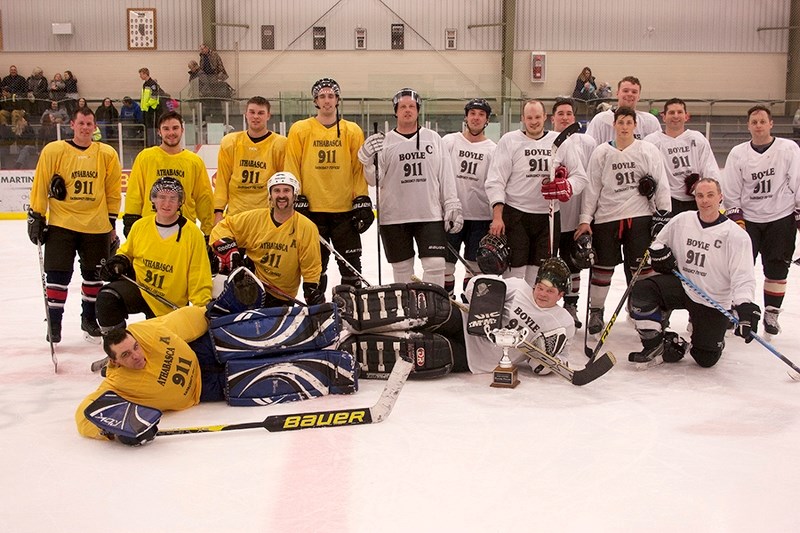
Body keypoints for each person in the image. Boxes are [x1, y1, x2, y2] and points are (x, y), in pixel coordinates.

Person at [628, 178, 759, 367]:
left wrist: (745, 307)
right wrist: (659, 255)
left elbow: (743, 278)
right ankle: (655, 345)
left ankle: (706, 339)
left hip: (711, 299)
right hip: (683, 286)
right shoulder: (683, 220)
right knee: (642, 290)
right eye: (700, 196)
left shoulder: (736, 236)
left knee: (705, 359)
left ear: (720, 197)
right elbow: (657, 244)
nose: (705, 200)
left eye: (710, 195)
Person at [27, 107, 122, 342]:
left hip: (96, 226)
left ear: (95, 127)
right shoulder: (54, 150)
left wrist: (111, 222)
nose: (85, 128)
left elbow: (112, 191)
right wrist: (36, 215)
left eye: (90, 124)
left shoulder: (106, 154)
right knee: (58, 276)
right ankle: (55, 323)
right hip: (62, 224)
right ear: (72, 124)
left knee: (94, 277)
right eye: (81, 123)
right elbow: (40, 183)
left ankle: (89, 319)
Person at [576, 106, 671, 335]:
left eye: (629, 122)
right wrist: (585, 219)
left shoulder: (647, 150)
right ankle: (596, 311)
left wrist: (663, 215)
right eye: (621, 122)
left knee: (641, 268)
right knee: (603, 267)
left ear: (635, 125)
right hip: (607, 217)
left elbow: (661, 182)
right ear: (614, 125)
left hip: (639, 217)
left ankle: (643, 308)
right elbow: (592, 188)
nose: (625, 126)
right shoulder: (601, 152)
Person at [358, 87, 463, 287]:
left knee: (435, 264)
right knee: (402, 269)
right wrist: (367, 162)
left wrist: (452, 204)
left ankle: (434, 310)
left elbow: (446, 175)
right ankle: (407, 311)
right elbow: (374, 180)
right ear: (396, 111)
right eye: (403, 106)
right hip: (394, 217)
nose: (407, 110)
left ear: (418, 110)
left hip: (429, 214)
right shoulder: (385, 142)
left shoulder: (433, 138)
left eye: (412, 106)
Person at [75, 304, 224, 442]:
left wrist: (212, 310)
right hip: (202, 388)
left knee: (232, 333)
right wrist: (113, 430)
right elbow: (84, 416)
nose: (136, 356)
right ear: (114, 361)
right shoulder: (117, 384)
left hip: (199, 353)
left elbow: (181, 320)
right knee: (241, 378)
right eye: (126, 355)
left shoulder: (144, 333)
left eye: (135, 347)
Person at [484, 99, 588, 287]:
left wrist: (566, 186)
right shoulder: (510, 140)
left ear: (545, 118)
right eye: (529, 117)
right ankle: (511, 309)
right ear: (523, 118)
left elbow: (580, 177)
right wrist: (497, 216)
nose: (534, 121)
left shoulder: (560, 141)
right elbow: (496, 180)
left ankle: (530, 312)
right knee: (514, 271)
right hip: (516, 214)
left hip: (548, 217)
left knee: (539, 272)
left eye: (538, 117)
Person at [722, 104, 800, 337]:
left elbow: (797, 180)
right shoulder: (739, 153)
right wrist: (736, 218)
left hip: (781, 216)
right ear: (748, 126)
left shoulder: (788, 149)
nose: (758, 126)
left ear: (771, 124)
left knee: (777, 266)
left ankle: (771, 313)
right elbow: (732, 189)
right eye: (754, 122)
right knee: (739, 267)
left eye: (762, 121)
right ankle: (738, 310)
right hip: (750, 219)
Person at [284, 78, 370, 290]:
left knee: (351, 266)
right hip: (312, 212)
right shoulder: (300, 129)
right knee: (315, 267)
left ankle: (351, 309)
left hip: (345, 212)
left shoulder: (352, 130)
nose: (327, 100)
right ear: (315, 100)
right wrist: (296, 196)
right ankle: (317, 310)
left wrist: (362, 198)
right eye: (322, 96)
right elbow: (292, 165)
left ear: (337, 99)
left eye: (331, 96)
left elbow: (357, 169)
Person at [96, 177, 212, 332]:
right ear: (153, 199)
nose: (166, 204)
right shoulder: (140, 226)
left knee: (162, 346)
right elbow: (126, 252)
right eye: (162, 197)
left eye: (173, 199)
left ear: (180, 203)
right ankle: (117, 348)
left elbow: (199, 275)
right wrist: (119, 261)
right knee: (108, 297)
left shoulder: (192, 234)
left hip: (169, 303)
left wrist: (201, 311)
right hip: (141, 289)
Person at [210, 171, 323, 306]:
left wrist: (311, 290)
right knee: (217, 280)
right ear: (270, 195)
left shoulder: (307, 227)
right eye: (276, 191)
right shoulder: (255, 218)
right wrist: (226, 246)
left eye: (286, 190)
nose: (281, 195)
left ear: (295, 195)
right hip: (251, 286)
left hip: (282, 296)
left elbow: (311, 266)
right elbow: (223, 227)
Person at [459, 257, 576, 374]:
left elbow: (562, 359)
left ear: (560, 295)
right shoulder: (518, 287)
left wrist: (543, 362)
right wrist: (484, 306)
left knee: (441, 350)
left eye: (550, 291)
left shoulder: (564, 322)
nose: (542, 294)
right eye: (540, 288)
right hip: (465, 322)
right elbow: (476, 283)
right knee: (442, 310)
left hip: (480, 358)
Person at [123, 111, 214, 239]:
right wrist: (131, 220)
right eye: (166, 129)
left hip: (184, 230)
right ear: (159, 132)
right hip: (151, 229)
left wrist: (209, 229)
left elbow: (203, 197)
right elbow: (135, 192)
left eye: (175, 128)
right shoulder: (146, 157)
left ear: (182, 130)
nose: (171, 133)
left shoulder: (194, 161)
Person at [441, 98, 497, 297]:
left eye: (481, 114)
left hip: (481, 217)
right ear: (466, 117)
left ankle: (469, 302)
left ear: (487, 120)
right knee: (445, 264)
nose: (476, 118)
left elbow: (495, 184)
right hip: (452, 214)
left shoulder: (493, 149)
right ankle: (447, 302)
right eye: (473, 113)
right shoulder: (449, 141)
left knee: (474, 266)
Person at [550, 98, 597, 328]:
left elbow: (591, 180)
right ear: (553, 118)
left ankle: (571, 305)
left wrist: (586, 217)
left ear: (574, 117)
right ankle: (547, 306)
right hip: (548, 218)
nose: (565, 117)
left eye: (569, 113)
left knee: (574, 264)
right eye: (560, 114)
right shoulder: (547, 141)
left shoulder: (587, 142)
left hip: (576, 215)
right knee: (546, 263)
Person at [213, 96, 287, 223]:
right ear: (245, 114)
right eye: (252, 112)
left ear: (268, 116)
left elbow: (284, 182)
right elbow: (222, 181)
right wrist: (218, 211)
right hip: (235, 215)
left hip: (266, 216)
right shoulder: (231, 142)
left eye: (261, 113)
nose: (256, 116)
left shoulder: (280, 144)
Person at [644, 98, 721, 215]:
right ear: (663, 117)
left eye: (680, 112)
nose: (676, 116)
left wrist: (712, 195)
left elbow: (710, 169)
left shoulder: (697, 138)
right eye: (671, 112)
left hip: (695, 200)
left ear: (686, 116)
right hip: (667, 201)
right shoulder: (652, 141)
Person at [586, 76, 661, 144]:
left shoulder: (650, 121)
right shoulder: (600, 120)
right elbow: (589, 147)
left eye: (634, 92)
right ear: (617, 93)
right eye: (625, 91)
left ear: (638, 97)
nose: (630, 94)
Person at [138, 67, 161, 146]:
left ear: (145, 74)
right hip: (146, 109)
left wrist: (147, 104)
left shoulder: (152, 84)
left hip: (152, 109)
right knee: (148, 128)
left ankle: (154, 144)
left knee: (152, 128)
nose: (140, 76)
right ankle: (149, 143)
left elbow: (154, 98)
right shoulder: (145, 84)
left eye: (141, 74)